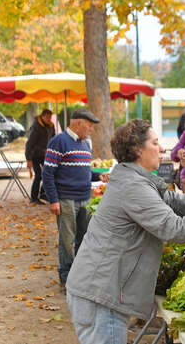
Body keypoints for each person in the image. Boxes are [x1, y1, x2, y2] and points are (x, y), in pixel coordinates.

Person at [65, 119, 185, 344]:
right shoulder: (133, 186)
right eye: (155, 143)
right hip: (100, 295)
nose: (162, 149)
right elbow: (175, 229)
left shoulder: (135, 178)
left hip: (100, 288)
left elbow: (175, 201)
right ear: (137, 149)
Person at [42, 108, 103, 289]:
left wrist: (99, 176)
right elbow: (48, 173)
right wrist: (53, 200)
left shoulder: (85, 144)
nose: (91, 129)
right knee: (67, 240)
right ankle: (66, 277)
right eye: (89, 126)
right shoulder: (58, 142)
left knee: (84, 238)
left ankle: (81, 274)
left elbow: (83, 171)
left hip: (85, 199)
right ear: (77, 123)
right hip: (66, 200)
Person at [25, 109, 55, 205]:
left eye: (50, 117)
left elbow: (53, 138)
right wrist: (28, 159)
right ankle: (33, 198)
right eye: (47, 117)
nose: (49, 119)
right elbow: (29, 143)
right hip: (35, 155)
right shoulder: (36, 127)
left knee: (48, 174)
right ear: (43, 116)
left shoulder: (51, 126)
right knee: (38, 175)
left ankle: (43, 193)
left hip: (46, 154)